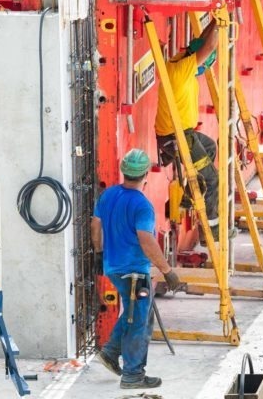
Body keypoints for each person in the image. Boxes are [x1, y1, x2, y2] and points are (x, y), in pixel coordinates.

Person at [91, 148, 181, 389]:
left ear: (124, 172)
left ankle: (110, 352)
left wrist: (99, 254)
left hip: (114, 267)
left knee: (136, 312)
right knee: (138, 321)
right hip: (134, 272)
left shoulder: (108, 196)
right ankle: (133, 374)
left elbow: (95, 226)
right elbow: (147, 240)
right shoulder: (142, 205)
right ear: (145, 175)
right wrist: (167, 271)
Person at [155, 17, 234, 243]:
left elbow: (200, 43)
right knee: (213, 180)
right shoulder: (182, 70)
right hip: (178, 137)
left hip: (180, 133)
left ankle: (189, 197)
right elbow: (208, 47)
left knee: (209, 146)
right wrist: (220, 25)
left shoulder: (179, 60)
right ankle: (214, 234)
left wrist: (215, 19)